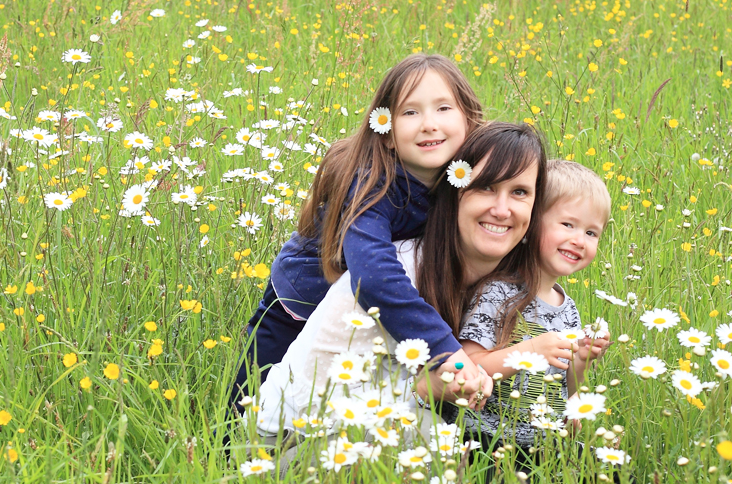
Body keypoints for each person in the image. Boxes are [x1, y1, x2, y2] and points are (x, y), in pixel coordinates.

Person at [250, 123, 576, 446]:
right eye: (485, 187)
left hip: (381, 434)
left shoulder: (507, 287)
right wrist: (429, 388)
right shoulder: (395, 276)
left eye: (519, 192)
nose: (502, 209)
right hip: (295, 441)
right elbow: (317, 399)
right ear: (454, 194)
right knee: (439, 444)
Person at [235, 54, 489, 410]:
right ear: (385, 133)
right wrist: (443, 348)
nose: (429, 124)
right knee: (246, 415)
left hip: (370, 322)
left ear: (469, 119)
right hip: (299, 307)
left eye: (444, 108)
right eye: (410, 112)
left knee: (355, 411)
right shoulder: (372, 184)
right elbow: (373, 277)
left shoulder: (467, 179)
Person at [433, 159, 613, 451]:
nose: (580, 240)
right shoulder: (498, 293)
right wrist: (531, 351)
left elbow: (565, 384)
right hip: (485, 439)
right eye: (568, 224)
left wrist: (581, 362)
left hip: (542, 445)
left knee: (619, 479)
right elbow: (469, 366)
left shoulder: (567, 308)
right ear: (531, 224)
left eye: (591, 233)